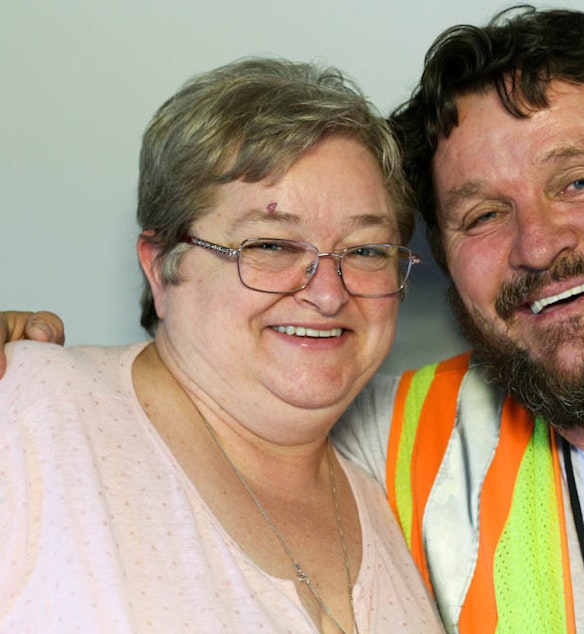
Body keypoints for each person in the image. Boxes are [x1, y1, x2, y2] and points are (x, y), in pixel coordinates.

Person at [4, 7, 584, 634]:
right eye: (482, 215)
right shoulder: (400, 442)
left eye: (581, 180)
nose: (539, 243)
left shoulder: (361, 470)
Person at [0, 57, 443, 633]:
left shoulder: (401, 490)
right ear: (161, 267)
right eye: (271, 245)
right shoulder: (35, 413)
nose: (328, 295)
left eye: (364, 251)